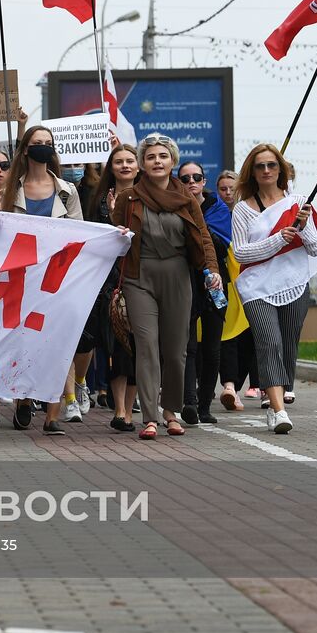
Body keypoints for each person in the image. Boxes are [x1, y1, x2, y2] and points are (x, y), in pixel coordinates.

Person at [111, 135, 221, 440]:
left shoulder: (186, 198)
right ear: (142, 164)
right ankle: (150, 417)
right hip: (139, 276)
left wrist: (212, 269)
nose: (157, 161)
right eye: (150, 157)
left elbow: (203, 236)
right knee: (146, 347)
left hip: (178, 274)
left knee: (175, 351)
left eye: (163, 156)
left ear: (171, 161)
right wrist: (118, 234)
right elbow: (115, 239)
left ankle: (170, 412)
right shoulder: (128, 198)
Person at [231, 144, 317, 435]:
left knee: (287, 343)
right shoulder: (243, 209)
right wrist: (277, 240)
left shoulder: (298, 202)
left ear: (281, 170)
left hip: (294, 282)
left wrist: (304, 227)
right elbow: (241, 253)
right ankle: (280, 410)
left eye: (272, 165)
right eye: (260, 166)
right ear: (252, 172)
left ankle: (274, 402)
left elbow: (316, 248)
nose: (267, 171)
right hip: (256, 287)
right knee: (268, 342)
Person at [1, 125, 85, 435]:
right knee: (25, 341)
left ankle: (52, 415)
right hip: (22, 277)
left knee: (56, 342)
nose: (44, 148)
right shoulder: (11, 189)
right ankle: (24, 397)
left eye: (48, 143)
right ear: (25, 150)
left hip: (56, 276)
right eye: (38, 143)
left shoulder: (67, 190)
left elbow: (78, 232)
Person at [90, 145, 139, 430]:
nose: (124, 166)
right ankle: (119, 410)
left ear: (137, 166)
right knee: (115, 343)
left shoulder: (147, 197)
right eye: (118, 161)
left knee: (137, 348)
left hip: (141, 278)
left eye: (129, 161)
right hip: (110, 281)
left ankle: (131, 408)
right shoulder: (99, 201)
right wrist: (111, 217)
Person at [179, 159, 230, 426]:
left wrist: (199, 228)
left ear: (204, 182)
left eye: (196, 178)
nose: (191, 183)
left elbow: (222, 247)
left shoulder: (218, 208)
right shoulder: (174, 206)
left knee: (212, 347)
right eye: (185, 179)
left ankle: (205, 404)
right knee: (187, 346)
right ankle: (189, 402)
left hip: (214, 283)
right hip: (184, 281)